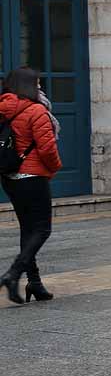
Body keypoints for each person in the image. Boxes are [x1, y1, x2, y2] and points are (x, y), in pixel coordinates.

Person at [0, 68, 62, 305]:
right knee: (42, 229)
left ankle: (34, 283)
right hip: (33, 177)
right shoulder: (36, 110)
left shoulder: (4, 109)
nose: (39, 88)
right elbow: (47, 148)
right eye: (36, 84)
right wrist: (55, 168)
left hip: (10, 177)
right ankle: (13, 273)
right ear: (27, 86)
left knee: (28, 229)